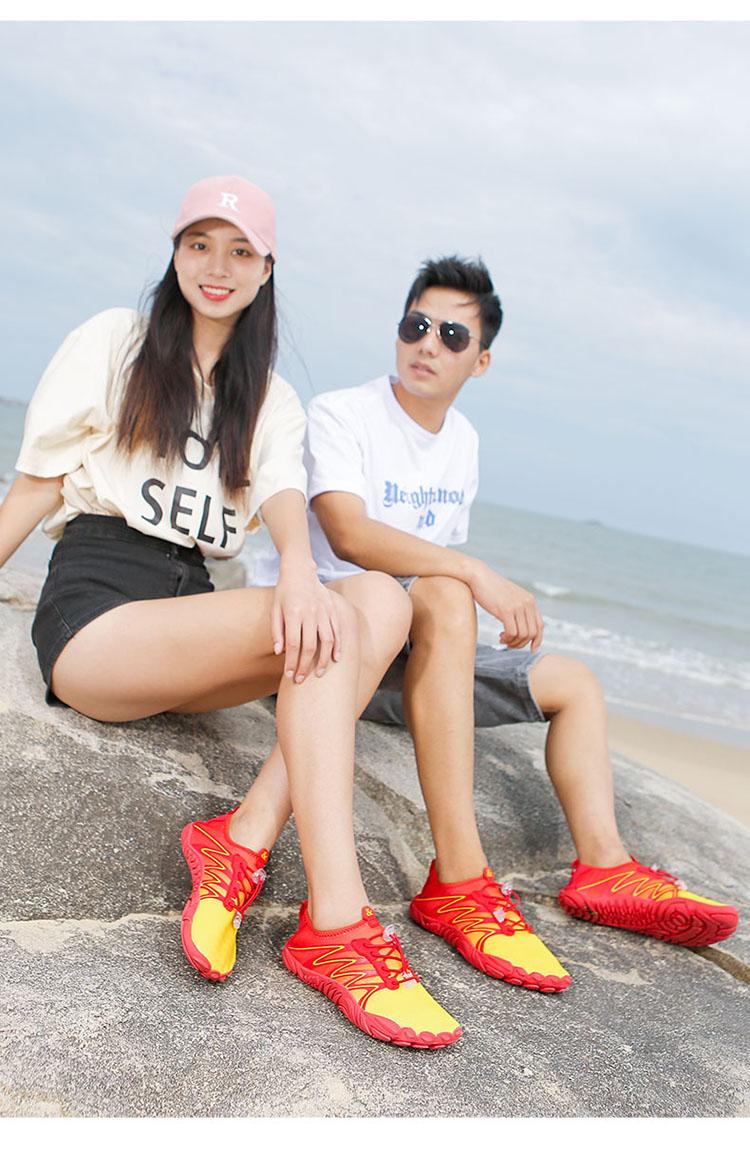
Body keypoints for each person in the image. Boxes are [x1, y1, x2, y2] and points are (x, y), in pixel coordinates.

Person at [0, 179, 464, 1050]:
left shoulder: (270, 397)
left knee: (377, 599)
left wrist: (300, 571)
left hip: (190, 619)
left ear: (266, 269)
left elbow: (285, 496)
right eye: (200, 244)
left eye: (240, 250)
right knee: (334, 625)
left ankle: (241, 838)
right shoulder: (117, 339)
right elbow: (32, 489)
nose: (217, 266)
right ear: (176, 253)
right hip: (98, 617)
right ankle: (337, 921)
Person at [252, 254, 739, 992]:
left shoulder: (463, 443)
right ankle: (459, 877)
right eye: (416, 325)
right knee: (451, 591)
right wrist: (475, 571)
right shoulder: (343, 414)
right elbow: (347, 534)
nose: (427, 344)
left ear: (480, 361)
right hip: (335, 647)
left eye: (451, 335)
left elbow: (428, 574)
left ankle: (605, 867)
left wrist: (460, 580)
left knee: (574, 683)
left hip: (414, 651)